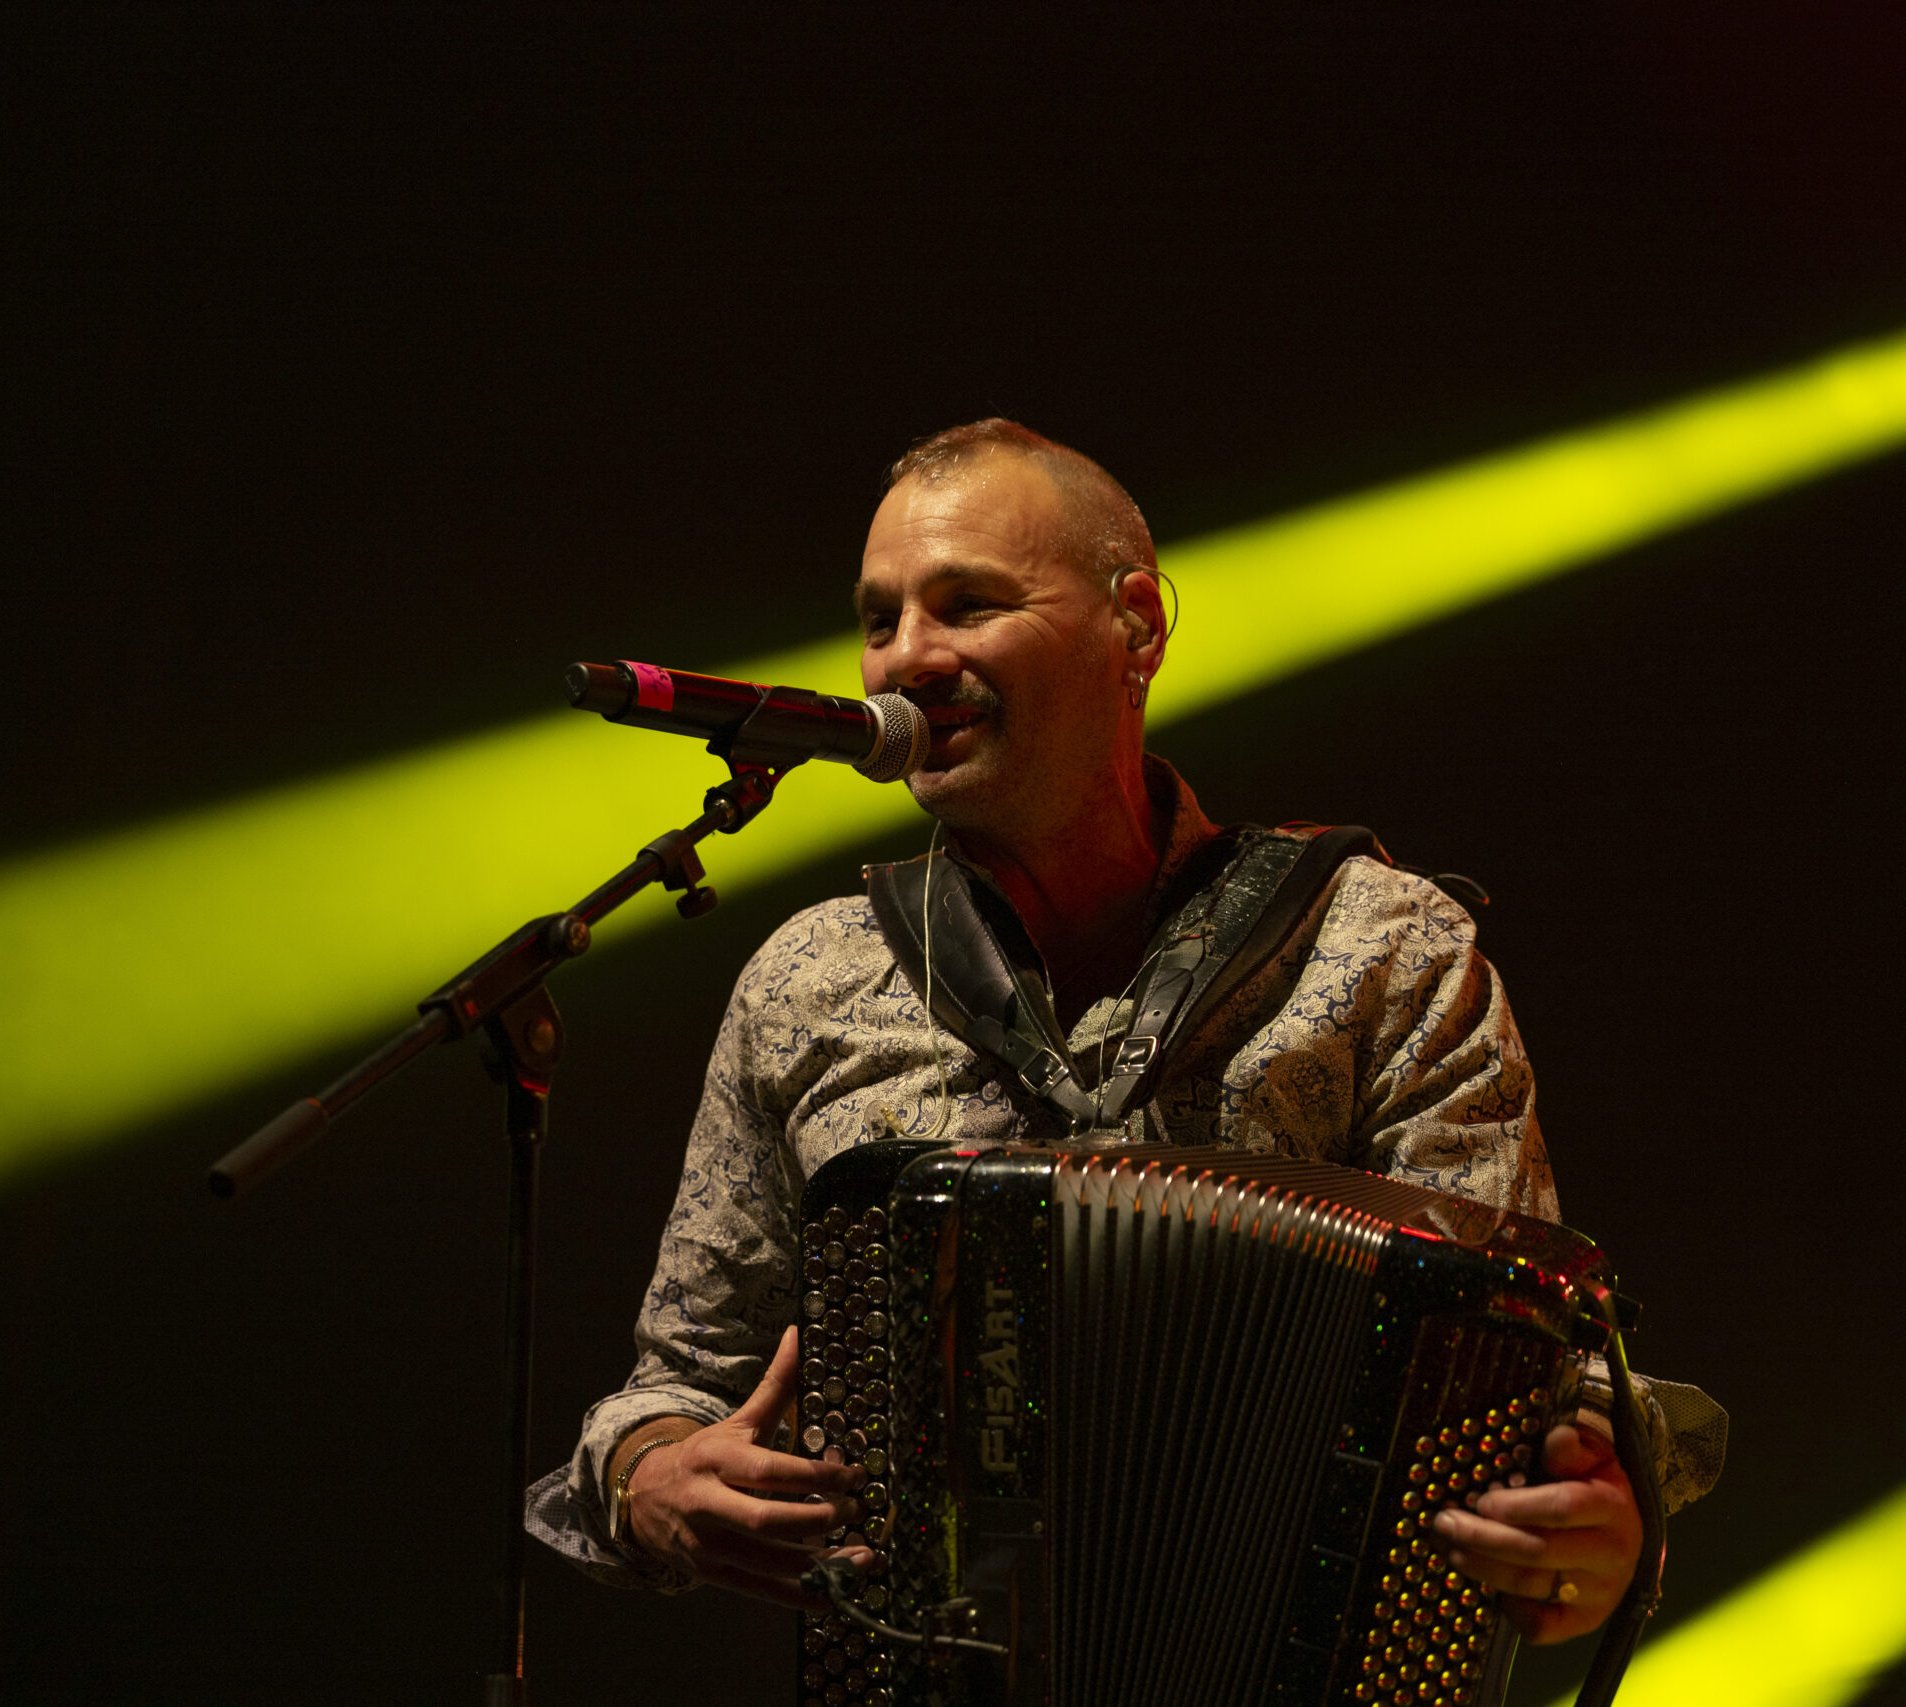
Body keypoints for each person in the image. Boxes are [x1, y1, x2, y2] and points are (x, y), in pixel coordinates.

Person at [524, 419, 1722, 1648]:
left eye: (968, 603)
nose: (907, 658)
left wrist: (1596, 1528)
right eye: (879, 619)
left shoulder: (1379, 950)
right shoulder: (812, 979)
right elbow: (677, 1388)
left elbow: (1535, 1387)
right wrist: (645, 1477)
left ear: (1136, 628)